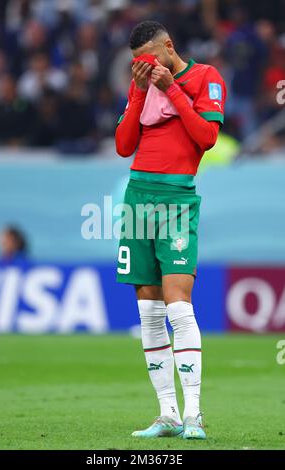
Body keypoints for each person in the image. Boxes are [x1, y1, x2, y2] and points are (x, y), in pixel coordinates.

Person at [115, 21, 226, 440]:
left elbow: (207, 137)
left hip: (177, 200)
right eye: (136, 62)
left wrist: (172, 89)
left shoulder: (204, 78)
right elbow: (124, 145)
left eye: (149, 58)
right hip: (137, 196)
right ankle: (168, 414)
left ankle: (194, 415)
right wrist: (142, 89)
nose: (143, 66)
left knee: (178, 305)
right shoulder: (140, 86)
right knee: (149, 311)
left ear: (168, 47)